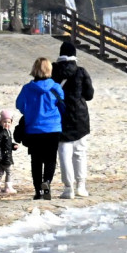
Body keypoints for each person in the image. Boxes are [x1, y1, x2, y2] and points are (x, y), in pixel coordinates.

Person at [15, 57, 64, 200]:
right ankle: (47, 182)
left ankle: (38, 191)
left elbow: (20, 106)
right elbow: (62, 105)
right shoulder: (55, 87)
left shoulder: (27, 88)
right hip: (53, 128)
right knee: (50, 159)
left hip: (33, 128)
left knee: (36, 160)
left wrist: (31, 111)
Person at [52, 40, 95, 199]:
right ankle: (81, 186)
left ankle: (68, 188)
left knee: (63, 152)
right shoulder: (81, 72)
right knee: (80, 152)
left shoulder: (53, 70)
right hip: (80, 117)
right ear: (74, 55)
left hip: (59, 115)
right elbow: (89, 95)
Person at [0, 109, 18, 194]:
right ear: (0, 122)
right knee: (8, 172)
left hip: (3, 156)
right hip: (4, 157)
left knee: (0, 172)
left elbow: (6, 144)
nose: (7, 124)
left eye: (9, 122)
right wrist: (0, 157)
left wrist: (13, 146)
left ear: (11, 123)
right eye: (5, 122)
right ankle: (8, 187)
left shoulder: (7, 132)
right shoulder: (1, 132)